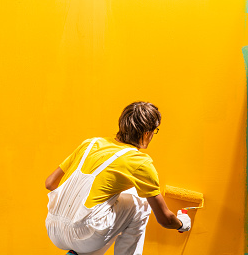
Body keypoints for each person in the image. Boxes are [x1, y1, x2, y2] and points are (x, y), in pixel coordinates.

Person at [45, 101, 191, 255]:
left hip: (54, 229)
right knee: (141, 202)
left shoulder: (91, 144)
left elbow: (50, 183)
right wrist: (182, 224)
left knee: (127, 195)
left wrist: (73, 212)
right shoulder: (139, 162)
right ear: (147, 133)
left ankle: (79, 253)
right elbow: (165, 219)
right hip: (85, 236)